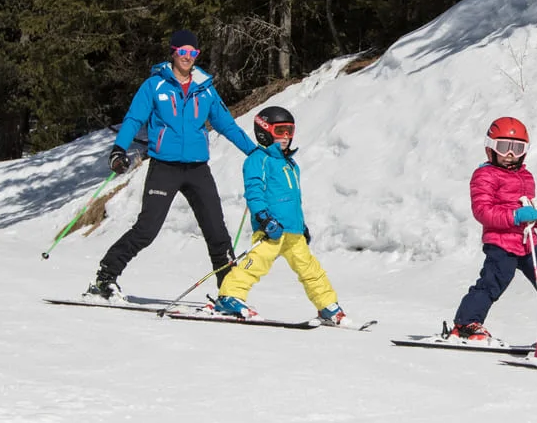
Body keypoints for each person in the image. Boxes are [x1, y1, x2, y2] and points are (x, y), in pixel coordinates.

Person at [87, 29, 257, 299]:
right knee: (147, 229)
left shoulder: (205, 88)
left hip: (197, 168)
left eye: (193, 53)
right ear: (173, 52)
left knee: (216, 231)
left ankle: (229, 292)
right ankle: (105, 277)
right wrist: (118, 149)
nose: (188, 57)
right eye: (183, 52)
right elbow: (133, 119)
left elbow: (227, 125)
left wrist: (254, 152)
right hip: (164, 167)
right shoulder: (154, 85)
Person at [212, 107, 347, 325]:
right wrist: (264, 218)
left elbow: (294, 199)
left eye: (289, 131)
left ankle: (328, 307)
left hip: (293, 231)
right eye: (280, 130)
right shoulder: (258, 159)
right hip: (271, 229)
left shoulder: (291, 164)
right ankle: (229, 297)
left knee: (310, 269)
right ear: (264, 131)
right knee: (255, 263)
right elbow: (254, 192)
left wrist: (301, 225)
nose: (286, 136)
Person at [446, 117, 537, 341]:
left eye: (517, 148)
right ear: (490, 148)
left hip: (527, 240)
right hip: (501, 242)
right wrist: (515, 216)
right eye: (504, 147)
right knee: (494, 281)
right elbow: (483, 211)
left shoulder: (526, 176)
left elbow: (525, 204)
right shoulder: (484, 175)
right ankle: (466, 323)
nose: (510, 153)